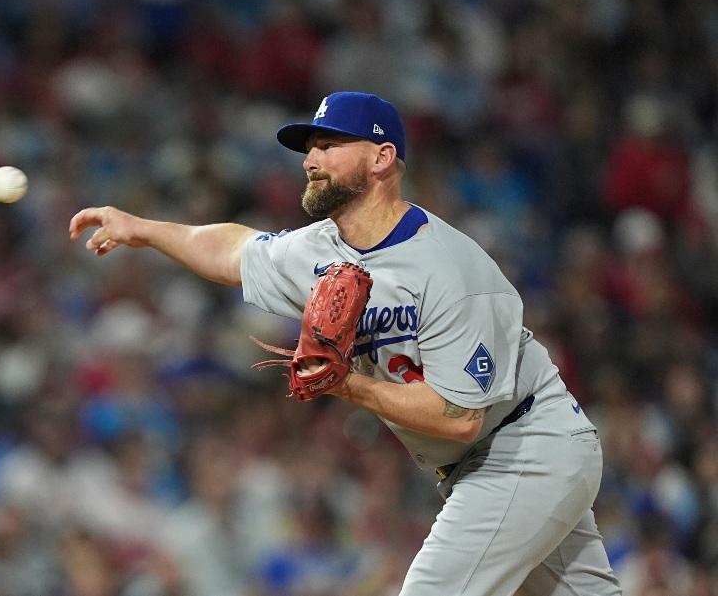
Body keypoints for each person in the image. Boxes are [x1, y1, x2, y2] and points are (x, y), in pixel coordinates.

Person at [69, 91, 622, 595]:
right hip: (491, 460)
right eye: (309, 147)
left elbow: (460, 418)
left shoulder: (450, 268)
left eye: (329, 145)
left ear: (382, 158)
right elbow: (229, 250)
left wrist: (345, 384)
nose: (310, 159)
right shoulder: (320, 248)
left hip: (524, 445)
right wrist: (141, 228)